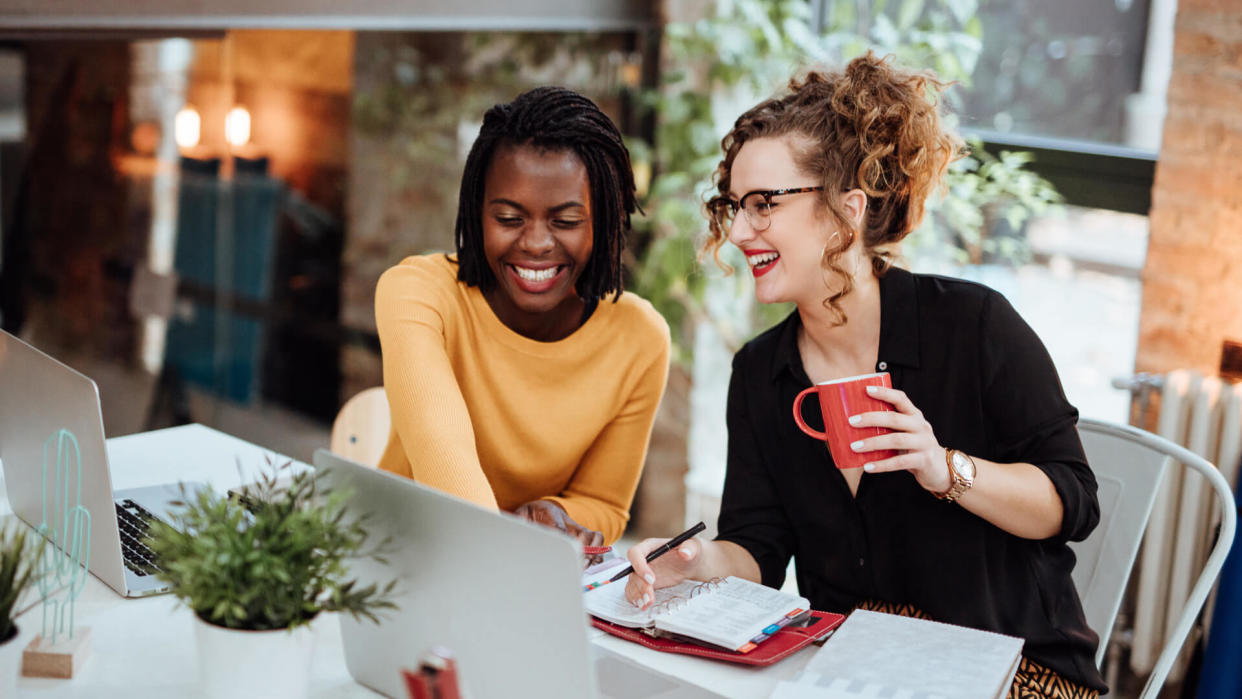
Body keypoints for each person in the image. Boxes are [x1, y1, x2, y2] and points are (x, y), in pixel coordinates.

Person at [622, 54, 1107, 698]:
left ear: (846, 210)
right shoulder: (762, 373)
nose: (739, 231)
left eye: (764, 204)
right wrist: (695, 563)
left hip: (1012, 668)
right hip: (859, 672)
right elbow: (759, 551)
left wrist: (944, 469)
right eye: (735, 206)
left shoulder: (973, 325)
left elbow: (1071, 502)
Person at [374, 86, 671, 547]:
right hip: (400, 556)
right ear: (477, 214)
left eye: (566, 222)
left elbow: (604, 504)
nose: (535, 243)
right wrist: (508, 544)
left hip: (524, 573)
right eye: (509, 218)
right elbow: (442, 455)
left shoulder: (639, 338)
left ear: (606, 222)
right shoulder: (418, 293)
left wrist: (557, 513)